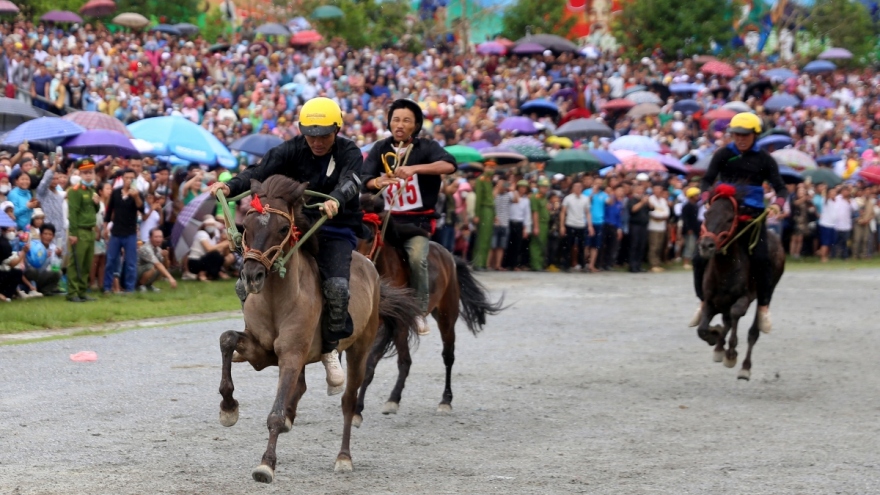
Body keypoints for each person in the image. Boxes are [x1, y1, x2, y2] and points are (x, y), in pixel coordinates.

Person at [211, 97, 363, 393]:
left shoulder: (349, 151)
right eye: (311, 135)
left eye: (324, 135)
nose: (316, 142)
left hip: (335, 227)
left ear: (337, 130)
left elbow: (353, 180)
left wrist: (337, 199)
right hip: (294, 225)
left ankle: (330, 347)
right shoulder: (292, 148)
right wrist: (231, 186)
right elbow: (259, 170)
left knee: (337, 287)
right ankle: (255, 336)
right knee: (245, 281)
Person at [362, 98, 456, 334]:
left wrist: (415, 169)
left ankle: (419, 312)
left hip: (416, 222)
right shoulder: (380, 148)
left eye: (406, 120)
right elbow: (365, 179)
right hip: (386, 220)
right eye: (396, 120)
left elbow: (449, 165)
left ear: (415, 125)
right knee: (358, 253)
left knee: (416, 258)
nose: (400, 124)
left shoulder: (426, 147)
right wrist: (377, 181)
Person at [690, 112, 787, 333]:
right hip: (724, 214)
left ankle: (763, 307)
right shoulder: (723, 154)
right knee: (698, 257)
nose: (741, 139)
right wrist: (706, 198)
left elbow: (780, 188)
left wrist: (777, 204)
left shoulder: (764, 159)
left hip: (752, 217)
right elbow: (706, 180)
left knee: (762, 258)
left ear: (755, 135)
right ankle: (703, 302)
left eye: (745, 135)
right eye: (737, 135)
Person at [66, 158, 101, 302]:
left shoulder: (92, 190)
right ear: (80, 174)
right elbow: (73, 213)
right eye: (85, 173)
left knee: (87, 263)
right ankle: (72, 293)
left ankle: (82, 291)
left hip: (90, 230)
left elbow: (94, 211)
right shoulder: (75, 191)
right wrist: (73, 234)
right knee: (76, 263)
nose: (88, 175)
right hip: (79, 231)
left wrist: (97, 204)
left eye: (90, 172)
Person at [103, 168, 143, 294]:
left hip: (130, 232)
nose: (129, 180)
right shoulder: (115, 192)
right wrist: (105, 227)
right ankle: (107, 287)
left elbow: (142, 209)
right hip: (116, 232)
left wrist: (136, 197)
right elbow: (109, 212)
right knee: (110, 261)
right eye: (126, 178)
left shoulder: (138, 193)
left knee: (131, 262)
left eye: (132, 178)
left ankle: (130, 288)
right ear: (122, 178)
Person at [471, 161, 497, 270]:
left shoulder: (489, 181)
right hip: (483, 209)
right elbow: (479, 199)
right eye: (488, 167)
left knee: (487, 238)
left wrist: (495, 214)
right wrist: (477, 214)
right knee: (482, 238)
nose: (491, 170)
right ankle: (478, 263)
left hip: (490, 210)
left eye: (492, 168)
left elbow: (491, 198)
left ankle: (483, 263)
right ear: (484, 168)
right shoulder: (480, 180)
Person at [24, 223, 62, 294]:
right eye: (45, 234)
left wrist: (58, 256)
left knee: (57, 272)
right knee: (32, 270)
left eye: (50, 234)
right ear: (40, 235)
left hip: (42, 276)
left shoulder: (53, 248)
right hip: (32, 274)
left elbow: (55, 267)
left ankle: (46, 289)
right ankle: (30, 288)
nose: (47, 236)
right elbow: (28, 264)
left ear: (53, 236)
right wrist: (43, 256)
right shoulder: (33, 245)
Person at [137, 227, 177, 292]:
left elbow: (166, 266)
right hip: (136, 272)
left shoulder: (158, 249)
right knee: (152, 267)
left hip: (144, 270)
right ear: (150, 238)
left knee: (160, 268)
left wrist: (166, 257)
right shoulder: (146, 248)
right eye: (156, 237)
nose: (159, 239)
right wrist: (170, 278)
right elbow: (157, 264)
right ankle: (140, 285)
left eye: (160, 237)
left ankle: (149, 285)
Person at [529, 177, 551, 272]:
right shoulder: (535, 197)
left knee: (542, 244)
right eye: (543, 187)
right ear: (539, 187)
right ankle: (535, 265)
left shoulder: (544, 197)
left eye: (546, 187)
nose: (545, 189)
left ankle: (540, 264)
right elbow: (535, 212)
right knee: (536, 244)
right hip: (539, 223)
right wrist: (536, 227)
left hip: (545, 223)